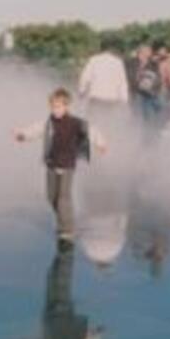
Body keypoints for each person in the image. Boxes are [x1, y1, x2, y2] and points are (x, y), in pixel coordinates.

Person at [14, 88, 107, 246]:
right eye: (53, 107)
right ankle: (63, 220)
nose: (55, 110)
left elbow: (90, 130)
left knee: (64, 198)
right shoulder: (48, 123)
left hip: (67, 164)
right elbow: (35, 130)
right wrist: (22, 135)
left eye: (59, 106)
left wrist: (101, 143)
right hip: (51, 163)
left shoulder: (74, 123)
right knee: (51, 197)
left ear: (66, 106)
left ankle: (67, 231)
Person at [13, 247, 105, 339]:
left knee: (53, 276)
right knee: (61, 279)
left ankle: (64, 251)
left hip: (51, 312)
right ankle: (66, 249)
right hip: (61, 311)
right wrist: (96, 333)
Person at [77, 37, 129, 119]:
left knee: (94, 124)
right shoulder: (118, 62)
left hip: (96, 99)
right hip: (112, 100)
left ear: (101, 48)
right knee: (109, 125)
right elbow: (122, 83)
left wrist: (81, 91)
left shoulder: (93, 60)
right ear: (112, 49)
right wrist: (124, 100)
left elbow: (85, 78)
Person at [127, 43, 160, 126]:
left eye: (150, 51)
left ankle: (148, 134)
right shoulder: (130, 62)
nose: (150, 52)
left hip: (149, 94)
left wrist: (155, 89)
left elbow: (158, 79)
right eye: (148, 51)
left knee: (148, 117)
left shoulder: (153, 64)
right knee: (135, 116)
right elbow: (127, 76)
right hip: (135, 93)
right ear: (141, 52)